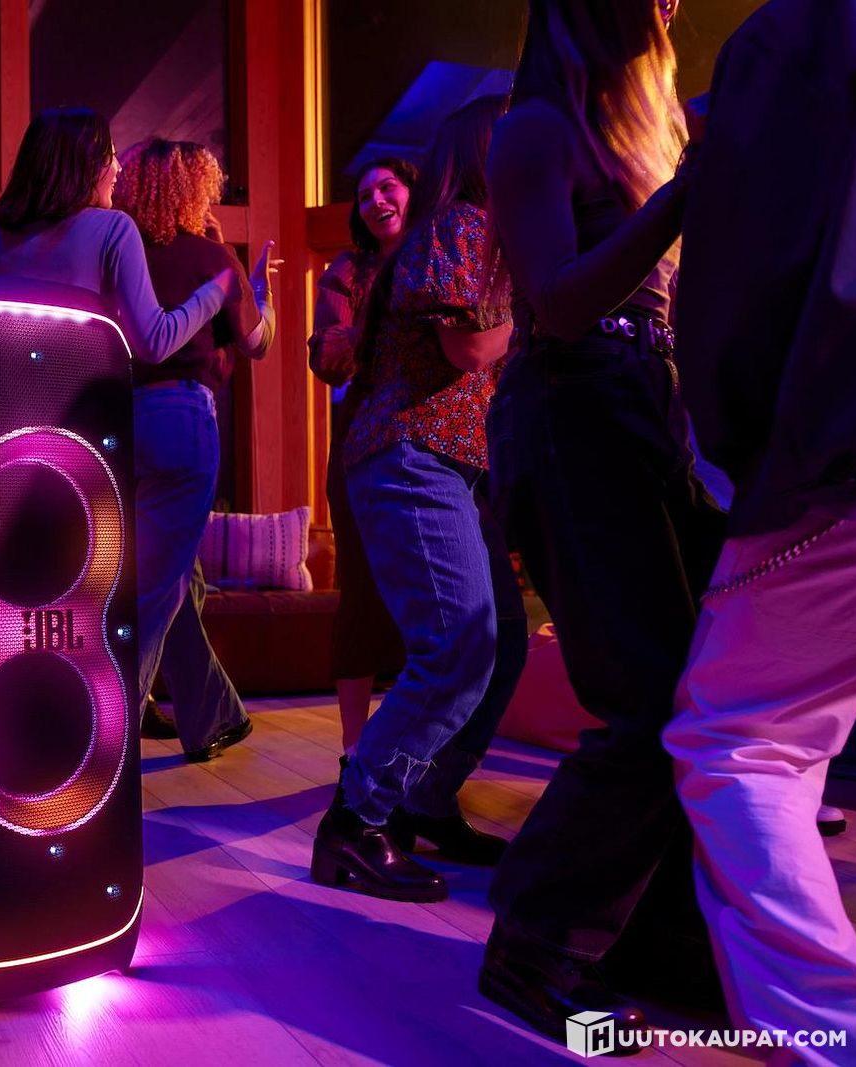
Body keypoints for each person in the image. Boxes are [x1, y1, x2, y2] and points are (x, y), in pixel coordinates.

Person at [478, 0, 727, 1041]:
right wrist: (680, 199)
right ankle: (534, 937)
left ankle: (645, 933)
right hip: (572, 412)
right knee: (650, 694)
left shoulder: (643, 124)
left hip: (643, 414)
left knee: (699, 694)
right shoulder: (534, 127)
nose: (671, 3)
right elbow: (557, 304)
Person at [662, 0, 856, 1056]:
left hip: (836, 435)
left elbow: (742, 274)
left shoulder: (799, 35)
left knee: (743, 736)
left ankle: (833, 1036)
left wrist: (745, 451)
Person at [309, 95, 523, 904]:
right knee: (458, 645)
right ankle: (355, 821)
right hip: (412, 452)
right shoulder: (461, 224)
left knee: (495, 642)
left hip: (445, 462)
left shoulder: (479, 233)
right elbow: (467, 346)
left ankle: (424, 796)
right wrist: (535, 304)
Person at [111, 138, 277, 763]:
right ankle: (106, 736)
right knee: (157, 586)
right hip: (181, 418)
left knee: (173, 573)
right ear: (196, 190)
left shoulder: (117, 253)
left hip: (115, 420)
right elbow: (257, 344)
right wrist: (258, 291)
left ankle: (211, 718)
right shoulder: (212, 257)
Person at [0, 107, 239, 367]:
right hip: (80, 399)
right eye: (110, 155)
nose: (118, 167)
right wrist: (216, 291)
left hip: (4, 395)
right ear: (83, 164)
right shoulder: (114, 228)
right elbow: (155, 341)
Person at [308, 157, 417, 765]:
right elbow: (329, 360)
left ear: (414, 191)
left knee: (431, 590)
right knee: (361, 589)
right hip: (364, 438)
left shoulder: (443, 253)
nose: (376, 200)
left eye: (387, 187)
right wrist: (373, 333)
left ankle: (420, 742)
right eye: (365, 193)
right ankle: (353, 748)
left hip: (435, 434)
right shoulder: (346, 271)